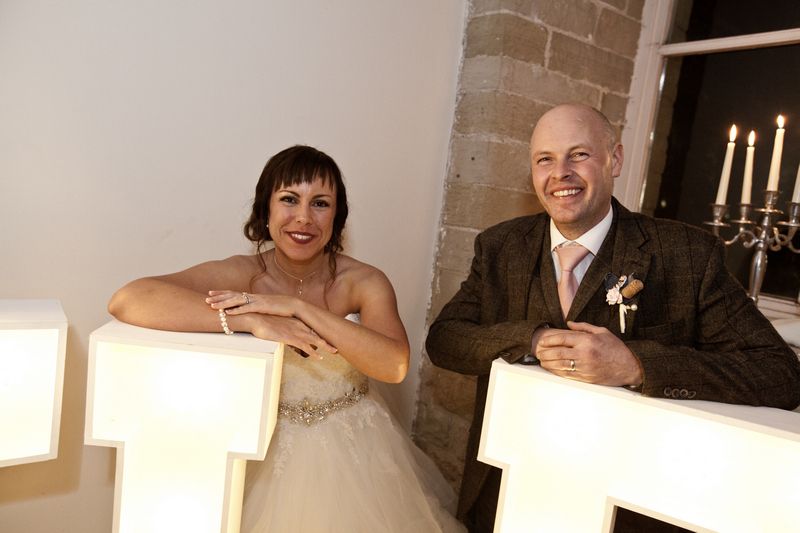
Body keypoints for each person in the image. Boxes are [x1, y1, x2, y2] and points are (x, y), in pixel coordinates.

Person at [425, 103, 800, 532]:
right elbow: (445, 339)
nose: (560, 173)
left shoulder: (687, 254)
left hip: (628, 508)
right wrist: (532, 339)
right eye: (545, 159)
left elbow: (780, 373)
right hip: (507, 490)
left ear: (615, 159)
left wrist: (637, 366)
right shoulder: (501, 245)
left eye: (579, 155)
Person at [109, 145, 464, 532]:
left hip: (356, 454)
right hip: (261, 447)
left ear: (337, 217)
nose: (304, 218)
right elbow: (128, 299)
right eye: (289, 199)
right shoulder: (241, 274)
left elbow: (394, 365)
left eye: (320, 203)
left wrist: (297, 308)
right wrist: (252, 321)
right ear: (266, 208)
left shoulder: (364, 282)